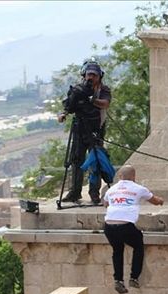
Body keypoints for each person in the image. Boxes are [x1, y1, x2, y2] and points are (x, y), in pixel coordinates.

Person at [58, 59, 113, 204]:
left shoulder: (103, 90)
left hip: (96, 130)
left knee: (95, 161)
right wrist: (64, 113)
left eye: (94, 75)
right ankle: (74, 193)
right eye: (89, 74)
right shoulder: (78, 89)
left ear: (99, 76)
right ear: (84, 75)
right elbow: (69, 104)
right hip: (79, 129)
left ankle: (94, 193)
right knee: (76, 160)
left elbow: (105, 104)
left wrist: (91, 99)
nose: (91, 78)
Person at [103, 165, 164, 294]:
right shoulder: (139, 189)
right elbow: (154, 201)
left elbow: (105, 204)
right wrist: (161, 201)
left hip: (108, 225)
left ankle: (118, 280)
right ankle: (134, 277)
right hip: (125, 225)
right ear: (134, 176)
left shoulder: (111, 190)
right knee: (138, 245)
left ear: (120, 176)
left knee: (117, 250)